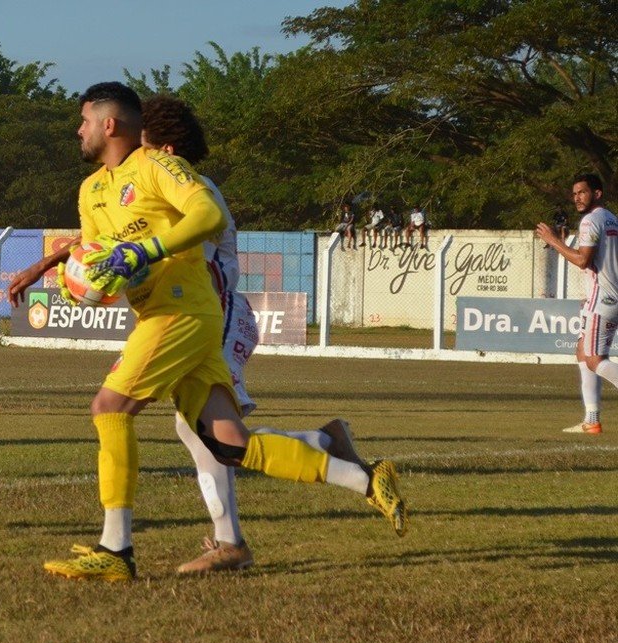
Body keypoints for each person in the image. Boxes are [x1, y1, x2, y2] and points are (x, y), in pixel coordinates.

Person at [33, 82, 406, 582]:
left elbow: (207, 214)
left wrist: (145, 252)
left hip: (183, 311)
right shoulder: (91, 189)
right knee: (227, 443)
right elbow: (100, 258)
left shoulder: (155, 165)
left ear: (109, 124)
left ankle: (115, 550)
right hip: (162, 314)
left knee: (109, 407)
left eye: (82, 121)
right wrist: (81, 281)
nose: (77, 131)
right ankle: (363, 478)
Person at [537, 173, 618, 435]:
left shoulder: (590, 221)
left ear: (597, 193)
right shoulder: (611, 219)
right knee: (582, 351)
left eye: (582, 192)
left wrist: (553, 241)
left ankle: (592, 421)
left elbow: (583, 260)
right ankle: (591, 420)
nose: (576, 198)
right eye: (574, 194)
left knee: (595, 359)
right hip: (607, 295)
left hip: (602, 300)